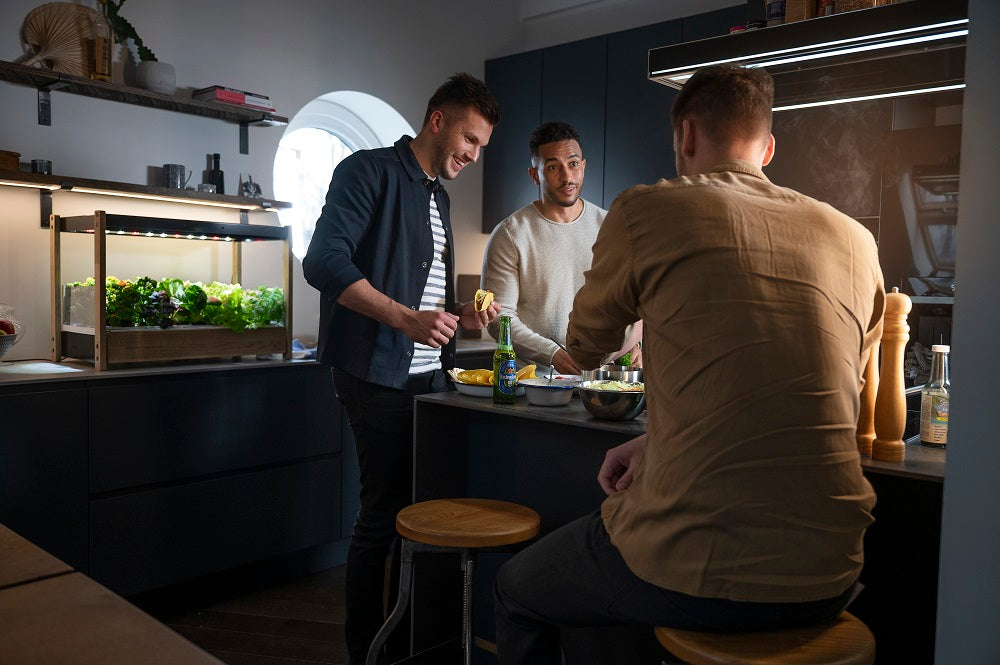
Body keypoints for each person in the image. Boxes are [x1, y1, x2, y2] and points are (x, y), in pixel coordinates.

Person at [493, 64, 885, 664]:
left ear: (686, 137)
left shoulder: (646, 211)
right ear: (770, 146)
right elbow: (816, 390)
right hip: (834, 573)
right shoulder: (857, 240)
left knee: (519, 588)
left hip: (697, 569)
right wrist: (655, 443)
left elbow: (586, 343)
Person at [302, 72, 502, 665]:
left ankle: (416, 640)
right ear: (437, 121)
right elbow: (323, 262)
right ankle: (367, 650)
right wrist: (407, 321)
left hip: (429, 379)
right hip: (374, 376)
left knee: (423, 507)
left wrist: (455, 318)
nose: (472, 155)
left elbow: (421, 292)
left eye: (482, 147)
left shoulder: (438, 195)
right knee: (383, 514)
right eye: (469, 139)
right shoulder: (366, 171)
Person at [480, 121, 640, 374]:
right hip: (533, 382)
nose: (567, 177)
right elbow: (500, 319)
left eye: (573, 164)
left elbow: (635, 298)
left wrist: (636, 343)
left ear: (583, 167)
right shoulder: (511, 234)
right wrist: (554, 355)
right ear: (535, 175)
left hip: (604, 379)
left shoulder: (611, 226)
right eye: (553, 167)